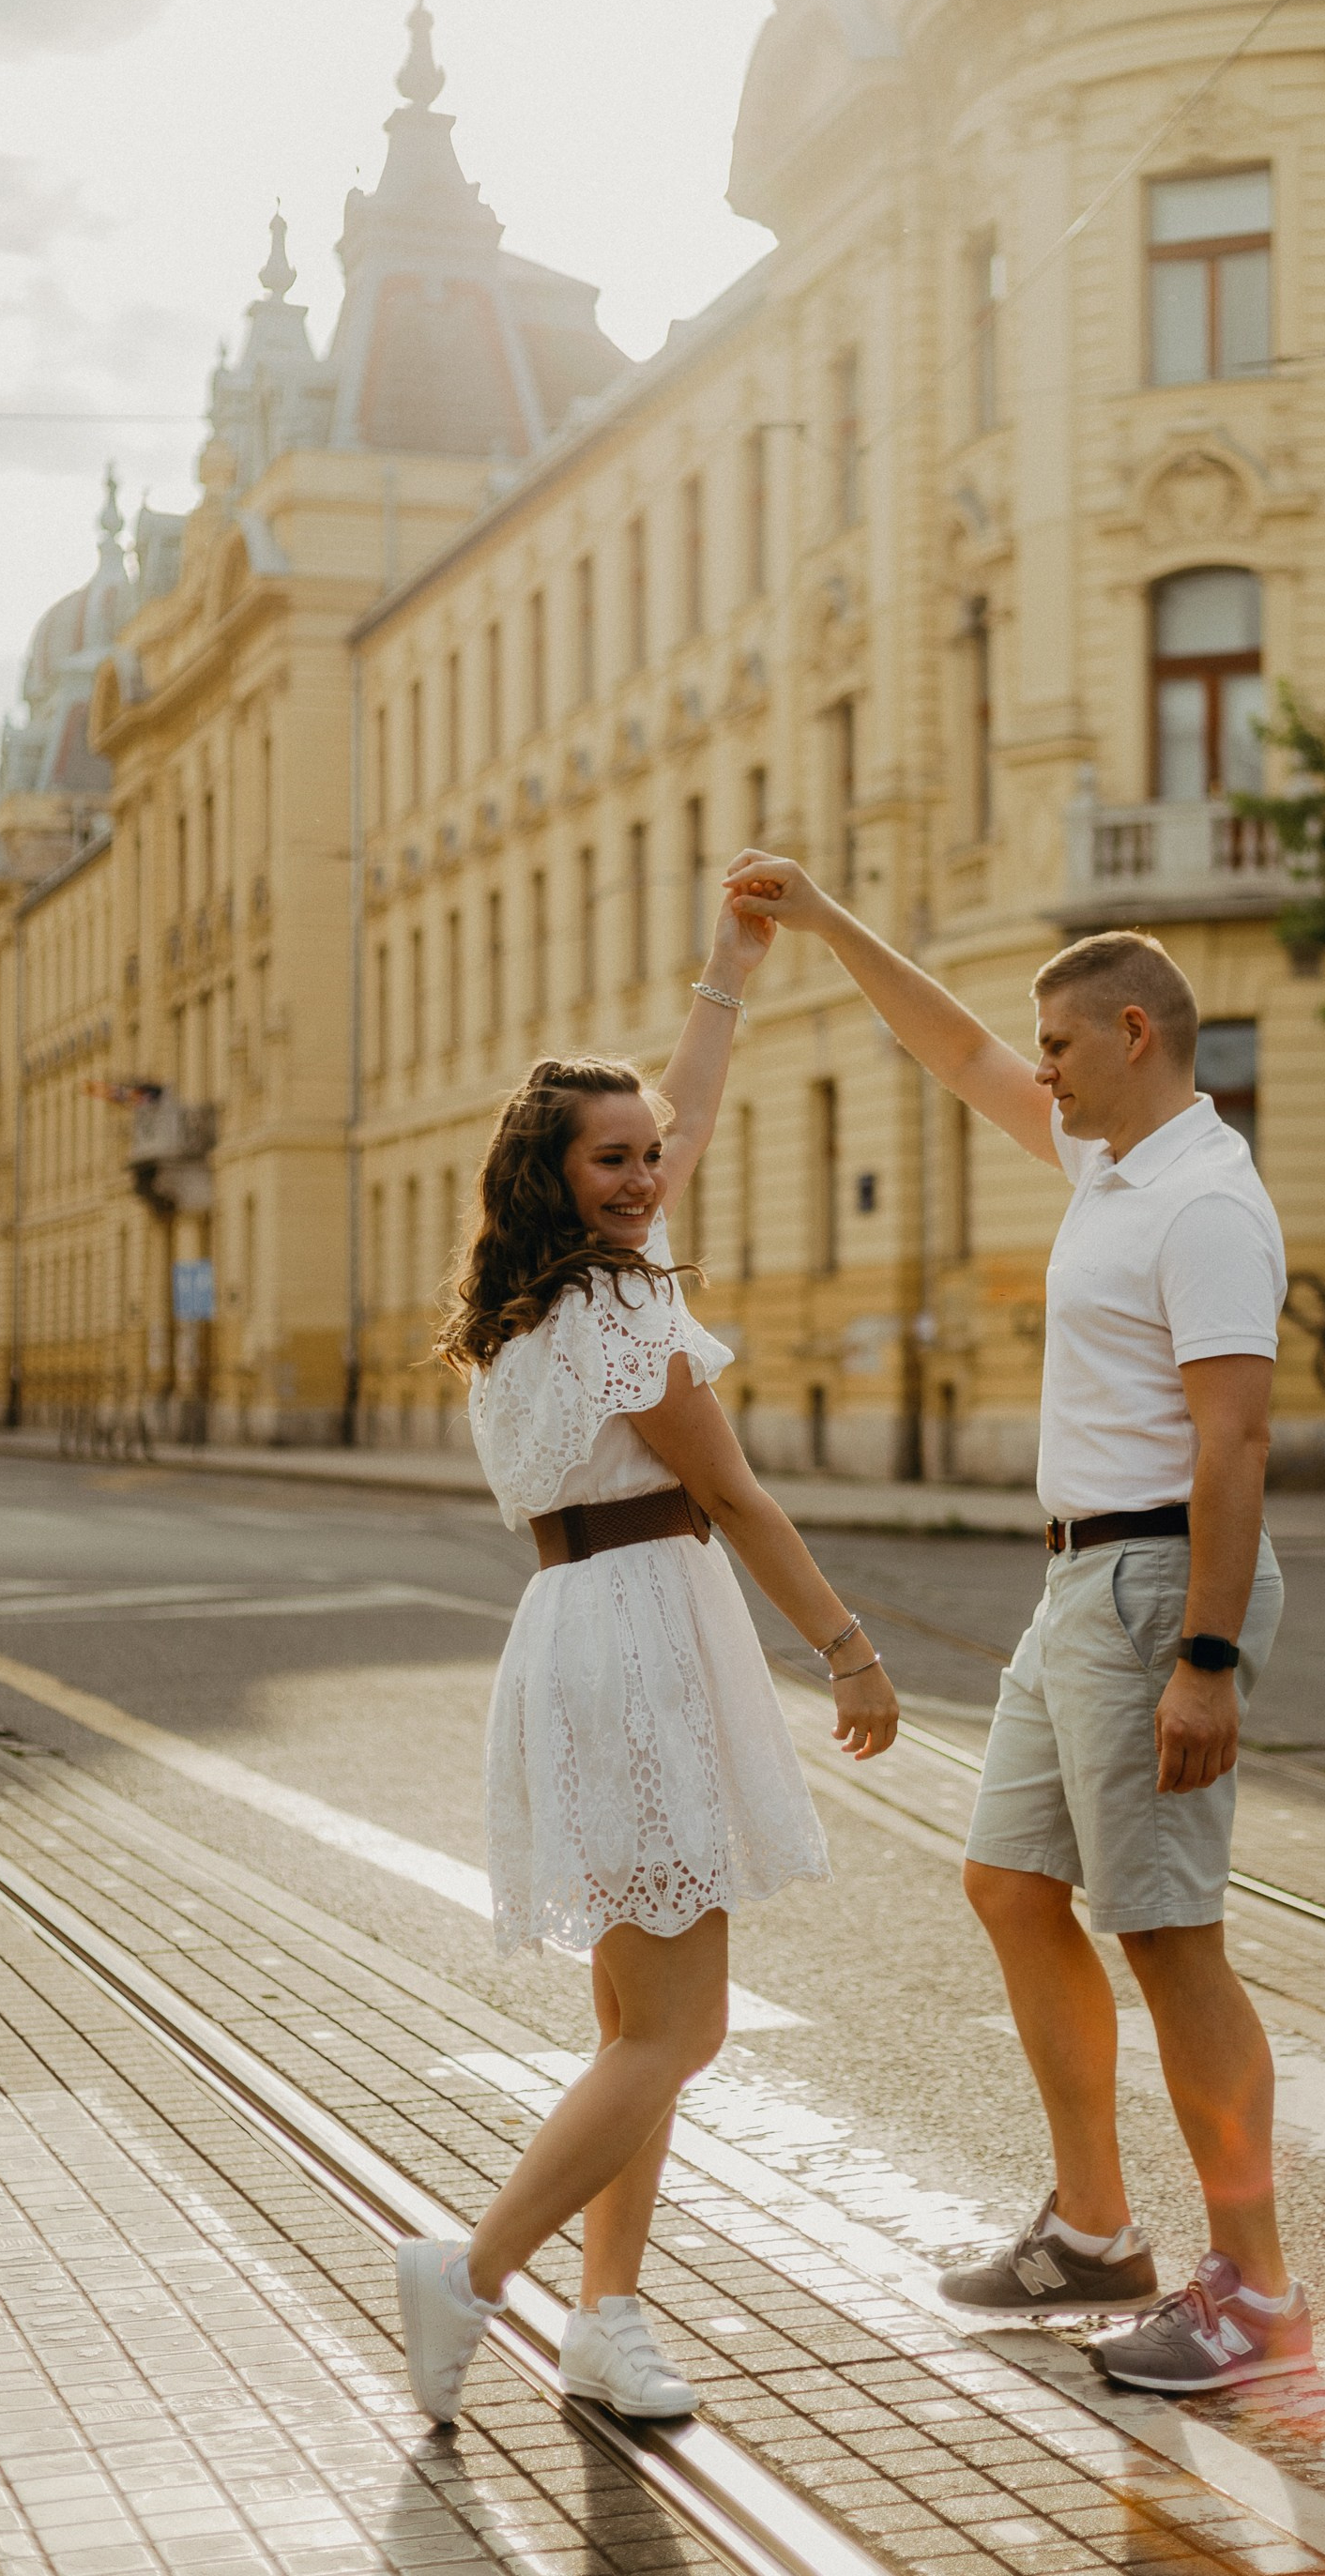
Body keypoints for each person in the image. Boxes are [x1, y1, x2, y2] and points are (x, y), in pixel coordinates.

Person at [723, 852, 1309, 2396]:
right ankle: (1098, 2229)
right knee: (1006, 1882)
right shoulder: (1110, 1167)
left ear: (1133, 1032)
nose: (1033, 1069)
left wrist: (1206, 1658)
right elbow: (953, 1049)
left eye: (1058, 1045)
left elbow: (1233, 1445)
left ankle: (1256, 2292)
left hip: (1149, 1590)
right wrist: (832, 920)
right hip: (1075, 1586)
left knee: (1174, 1938)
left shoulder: (1206, 1204)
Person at [396, 892, 898, 2429]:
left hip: (584, 1630)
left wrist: (730, 976)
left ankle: (608, 2322)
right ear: (556, 1181)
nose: (642, 1173)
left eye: (646, 1155)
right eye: (609, 1159)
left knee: (637, 2029)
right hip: (639, 1642)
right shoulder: (623, 1316)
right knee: (683, 2030)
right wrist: (850, 1650)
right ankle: (474, 2271)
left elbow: (686, 1106)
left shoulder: (538, 1304)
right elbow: (737, 1495)